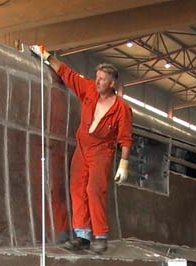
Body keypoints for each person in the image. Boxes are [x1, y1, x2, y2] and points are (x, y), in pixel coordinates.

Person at [32, 45, 133, 254]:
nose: (97, 82)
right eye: (97, 77)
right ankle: (83, 235)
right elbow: (67, 74)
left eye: (102, 79)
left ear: (112, 83)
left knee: (93, 190)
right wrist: (48, 56)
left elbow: (125, 138)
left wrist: (123, 163)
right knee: (77, 188)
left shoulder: (122, 109)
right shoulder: (88, 89)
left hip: (102, 151)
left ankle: (101, 236)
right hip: (82, 148)